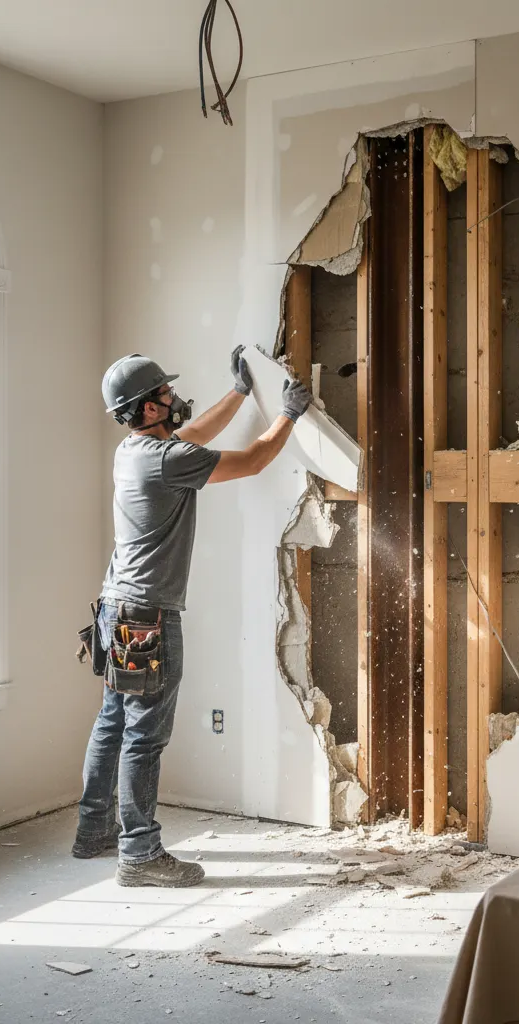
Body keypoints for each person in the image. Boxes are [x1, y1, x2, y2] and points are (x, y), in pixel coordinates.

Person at [73, 345, 311, 887]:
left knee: (113, 722)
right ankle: (139, 855)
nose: (173, 397)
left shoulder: (133, 451)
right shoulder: (165, 460)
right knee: (144, 737)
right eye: (164, 392)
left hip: (115, 608)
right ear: (150, 409)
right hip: (148, 618)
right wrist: (289, 414)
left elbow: (193, 437)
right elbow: (251, 460)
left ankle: (93, 831)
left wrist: (240, 393)